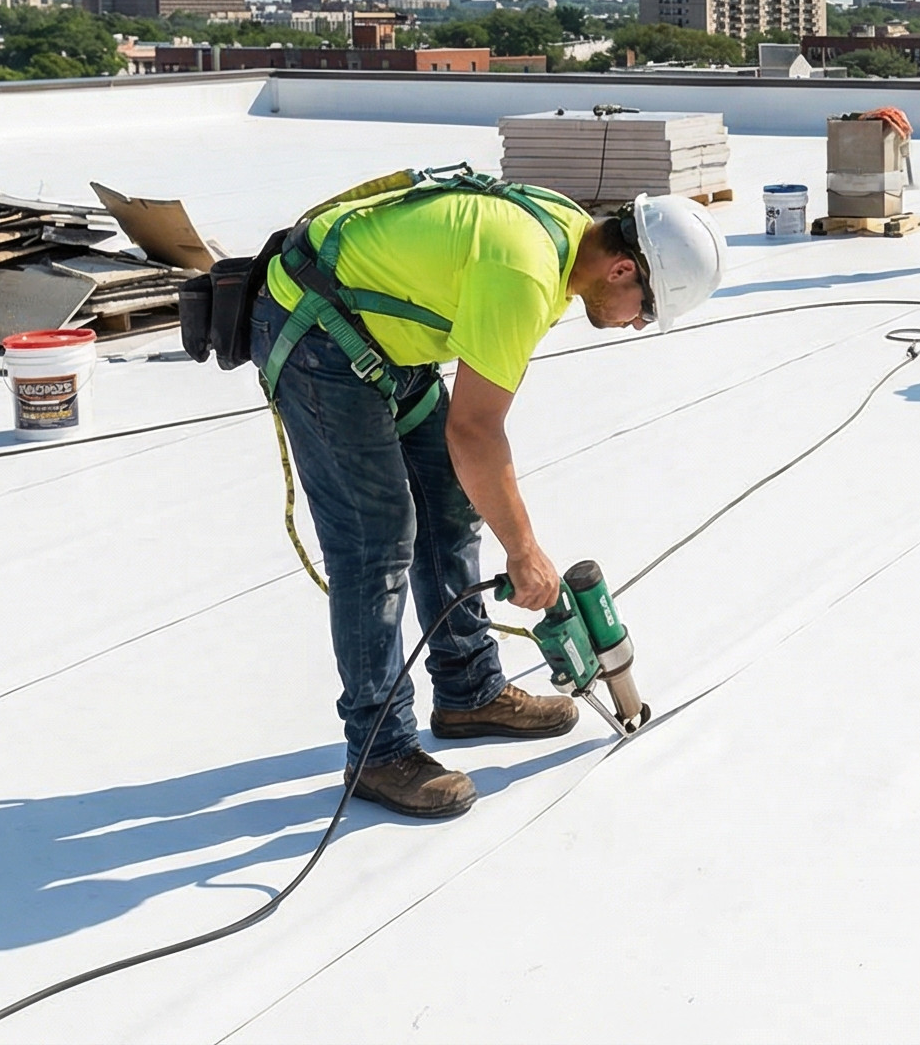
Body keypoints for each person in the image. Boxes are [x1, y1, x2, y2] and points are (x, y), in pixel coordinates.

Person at [250, 172, 723, 818]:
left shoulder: (566, 230)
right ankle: (379, 752)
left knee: (448, 509)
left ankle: (468, 691)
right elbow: (474, 431)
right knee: (377, 543)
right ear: (619, 270)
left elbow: (469, 433)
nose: (638, 325)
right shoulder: (526, 275)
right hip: (320, 338)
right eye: (645, 310)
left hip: (383, 341)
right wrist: (524, 551)